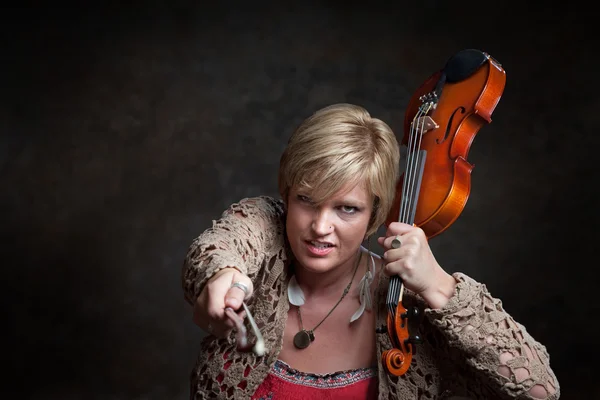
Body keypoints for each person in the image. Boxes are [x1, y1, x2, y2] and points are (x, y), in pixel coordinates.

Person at [182, 103, 560, 399]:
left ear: (375, 213)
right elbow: (226, 244)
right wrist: (223, 276)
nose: (320, 227)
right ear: (287, 195)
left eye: (347, 208)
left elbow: (541, 390)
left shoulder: (404, 305)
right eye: (307, 200)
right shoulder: (264, 230)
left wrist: (442, 289)